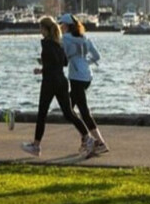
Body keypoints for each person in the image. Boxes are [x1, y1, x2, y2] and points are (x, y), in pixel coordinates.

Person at [21, 16, 95, 158]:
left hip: (50, 82)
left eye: (41, 28)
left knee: (42, 113)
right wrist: (43, 69)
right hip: (61, 80)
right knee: (68, 113)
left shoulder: (47, 44)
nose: (40, 31)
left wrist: (44, 67)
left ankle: (36, 146)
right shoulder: (59, 43)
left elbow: (53, 63)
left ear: (45, 29)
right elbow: (64, 63)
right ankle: (87, 137)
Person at [59, 13, 108, 154]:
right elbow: (97, 56)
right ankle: (86, 140)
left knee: (80, 111)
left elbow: (62, 57)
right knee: (70, 110)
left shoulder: (65, 39)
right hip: (87, 76)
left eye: (62, 25)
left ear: (67, 26)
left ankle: (98, 142)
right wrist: (85, 61)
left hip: (76, 77)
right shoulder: (85, 38)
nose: (60, 27)